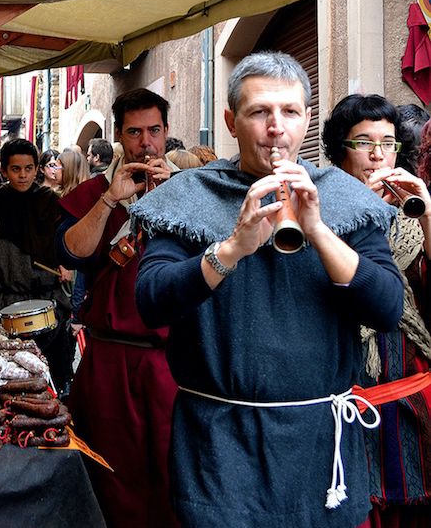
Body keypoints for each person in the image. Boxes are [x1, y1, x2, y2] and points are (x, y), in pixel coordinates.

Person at [132, 52, 402, 527]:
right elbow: (151, 303)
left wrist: (318, 230)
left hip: (320, 445)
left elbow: (386, 309)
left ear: (307, 120)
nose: (276, 128)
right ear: (230, 121)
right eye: (259, 112)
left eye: (290, 112)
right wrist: (232, 248)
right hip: (220, 445)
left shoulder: (343, 195)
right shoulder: (189, 194)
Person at [56, 88, 178, 528]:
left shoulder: (189, 189)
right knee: (110, 478)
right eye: (134, 133)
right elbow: (70, 252)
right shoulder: (95, 190)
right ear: (119, 136)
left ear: (166, 131)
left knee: (172, 476)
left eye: (154, 131)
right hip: (108, 358)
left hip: (171, 361)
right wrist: (110, 198)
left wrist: (175, 196)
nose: (146, 143)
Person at [323, 94, 431, 525]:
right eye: (364, 143)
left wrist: (427, 213)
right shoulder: (318, 213)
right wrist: (359, 215)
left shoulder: (413, 214)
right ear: (339, 152)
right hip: (348, 393)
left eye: (388, 143)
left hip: (411, 389)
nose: (377, 155)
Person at [0, 139, 73, 391]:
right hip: (6, 297)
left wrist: (66, 262)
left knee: (56, 373)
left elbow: (69, 238)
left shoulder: (51, 201)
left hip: (49, 296)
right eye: (16, 169)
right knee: (11, 378)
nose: (23, 175)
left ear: (37, 169)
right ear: (4, 170)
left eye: (28, 168)